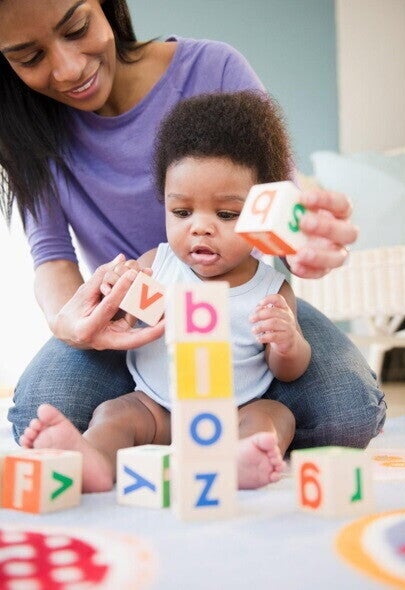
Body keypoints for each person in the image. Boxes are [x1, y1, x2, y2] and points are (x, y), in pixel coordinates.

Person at [0, 0, 385, 448]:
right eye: (29, 57)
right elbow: (51, 255)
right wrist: (75, 322)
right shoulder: (24, 128)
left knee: (349, 413)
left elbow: (283, 198)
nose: (67, 70)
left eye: (78, 27)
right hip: (131, 326)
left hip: (242, 312)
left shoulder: (213, 67)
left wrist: (300, 241)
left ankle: (226, 424)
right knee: (39, 407)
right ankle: (160, 410)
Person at [20, 90, 311, 492]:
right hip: (155, 407)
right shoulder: (158, 263)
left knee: (276, 414)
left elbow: (288, 370)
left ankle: (235, 462)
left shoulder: (270, 288)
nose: (200, 227)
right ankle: (96, 461)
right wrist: (112, 291)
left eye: (226, 214)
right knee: (113, 413)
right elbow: (118, 306)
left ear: (262, 215)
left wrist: (287, 341)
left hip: (233, 413)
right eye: (182, 212)